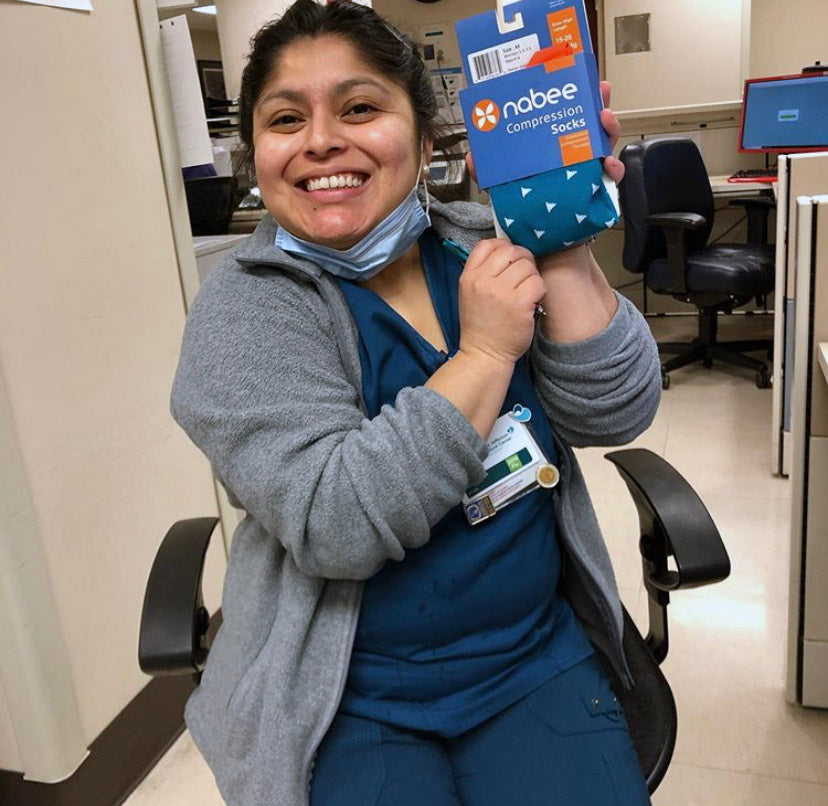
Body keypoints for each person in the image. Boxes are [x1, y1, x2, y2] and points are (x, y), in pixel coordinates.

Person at [170, 2, 661, 804]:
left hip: (532, 655)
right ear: (257, 152)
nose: (321, 139)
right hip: (346, 695)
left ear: (426, 142)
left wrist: (561, 234)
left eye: (359, 108)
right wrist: (484, 353)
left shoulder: (477, 240)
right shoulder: (245, 312)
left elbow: (614, 412)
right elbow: (338, 522)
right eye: (286, 118)